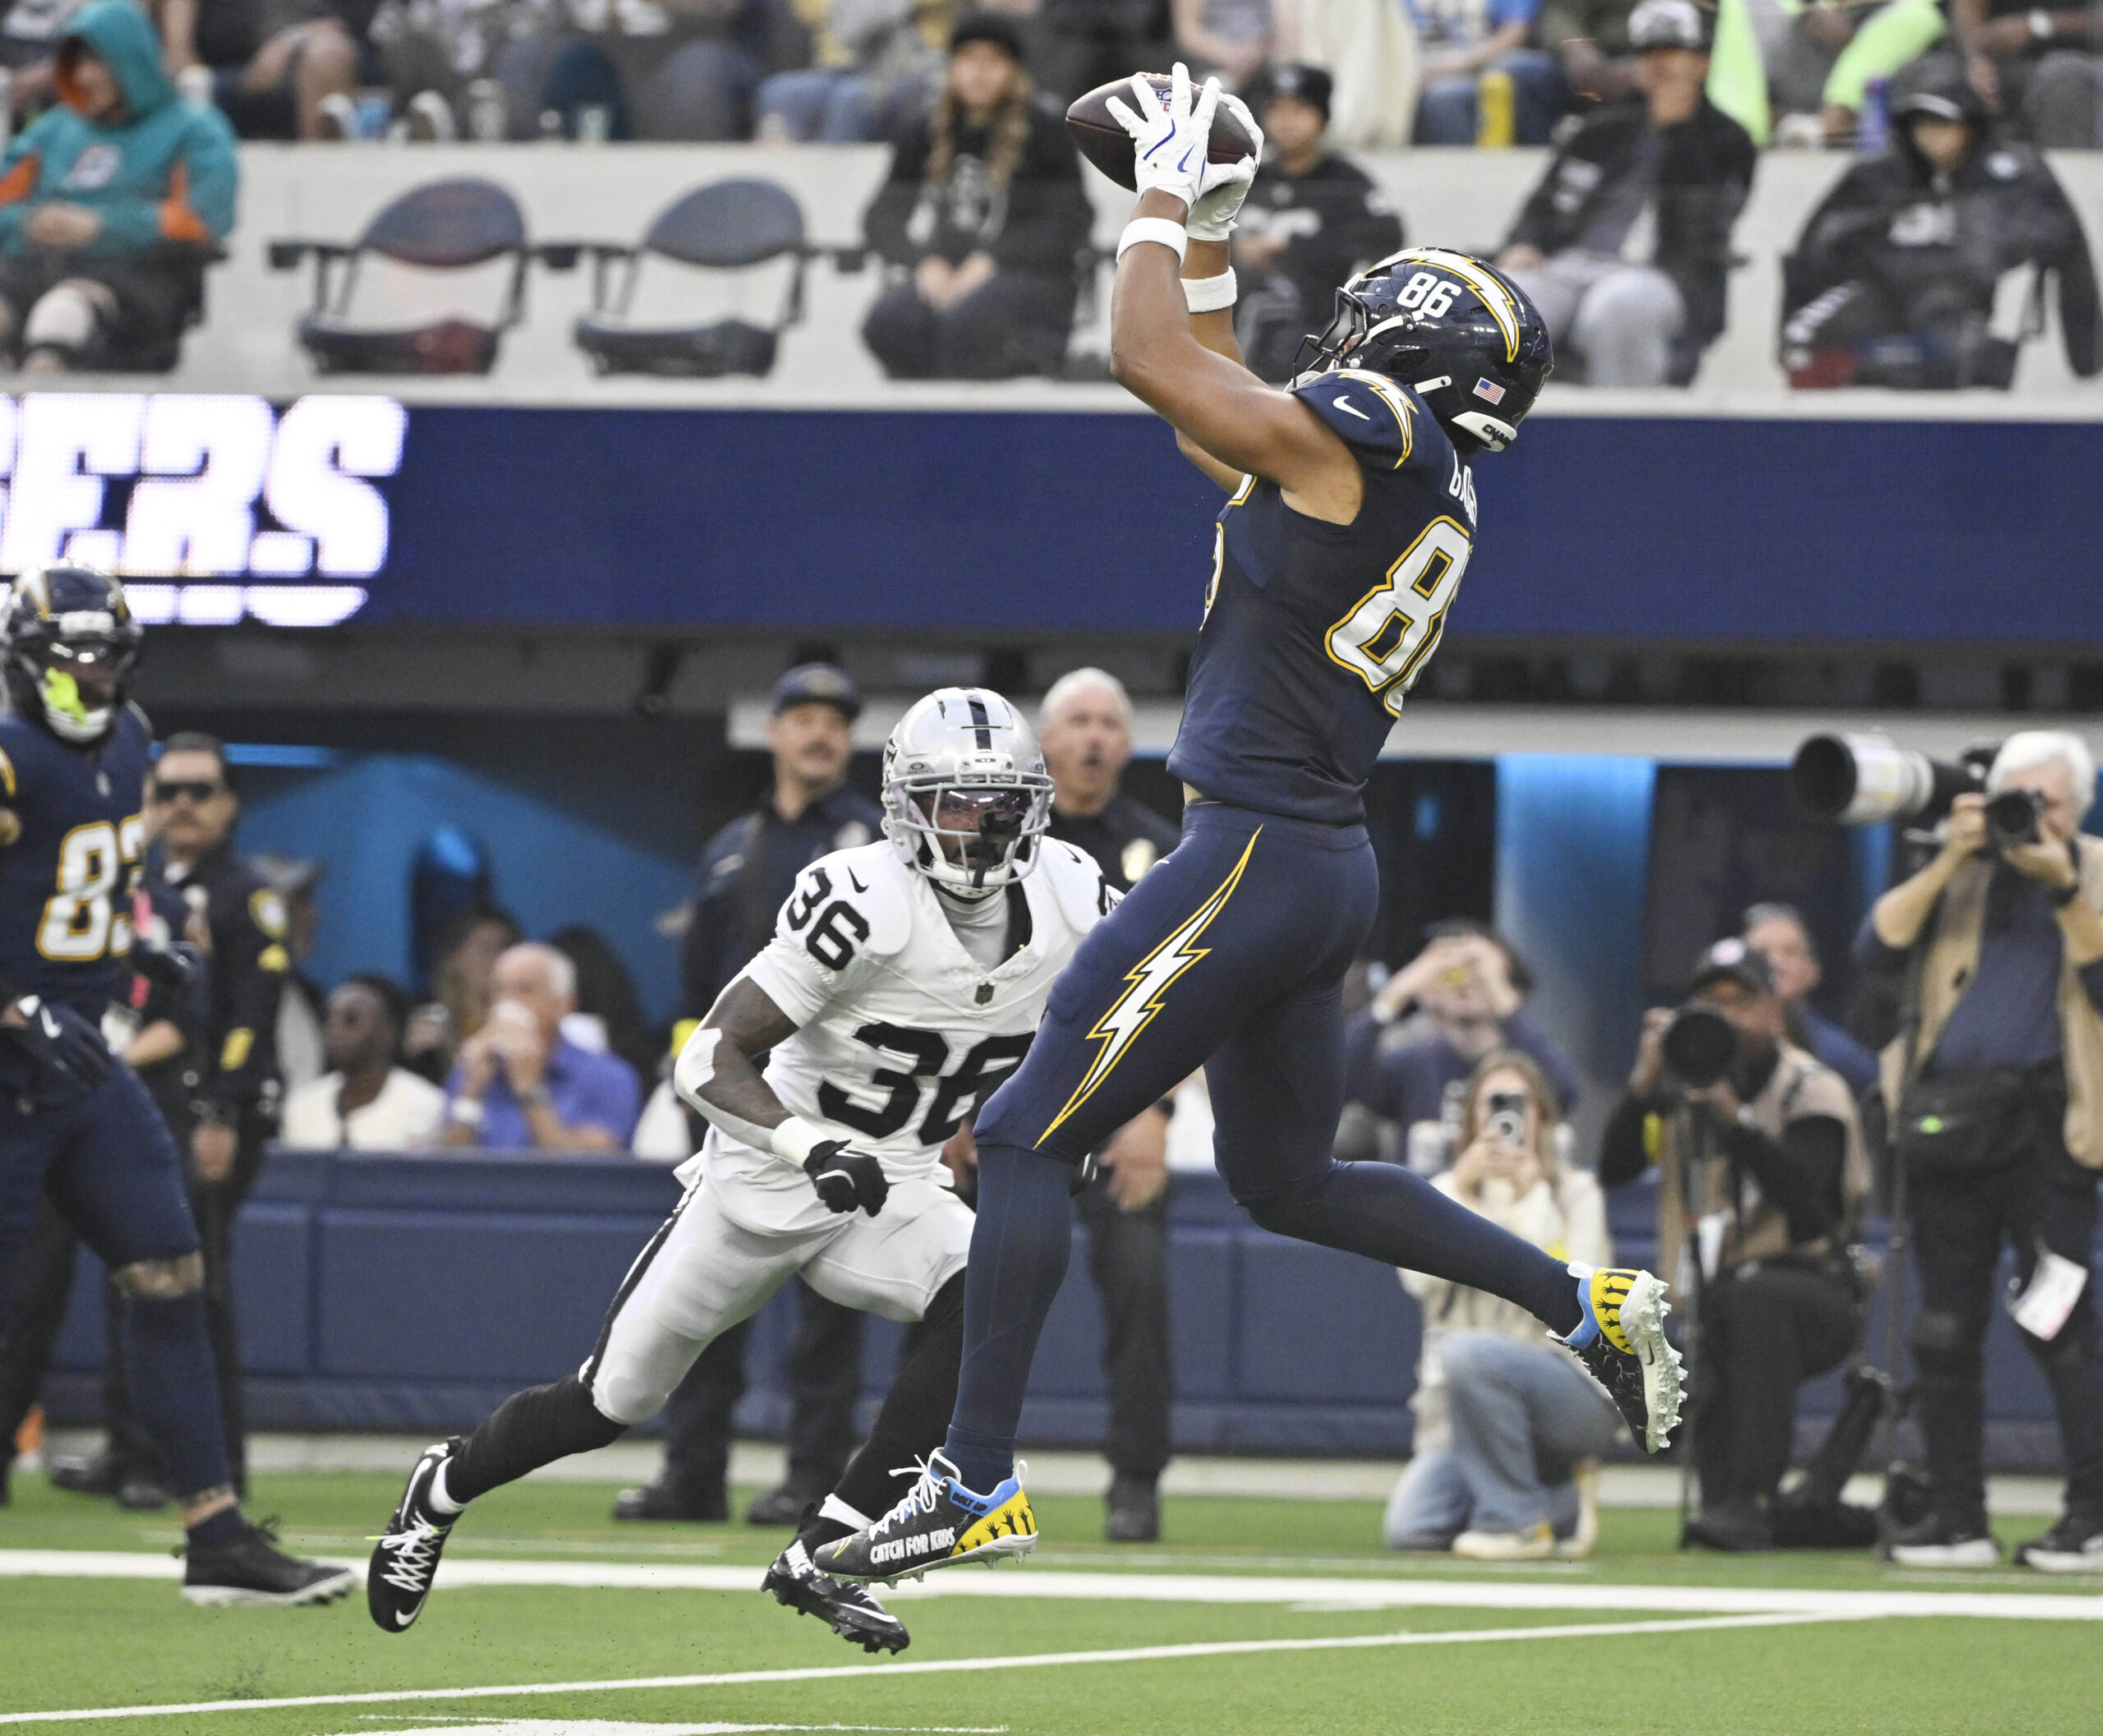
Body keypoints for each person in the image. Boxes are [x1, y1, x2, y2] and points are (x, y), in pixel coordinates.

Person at [817, 67, 1681, 1589]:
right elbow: (1199, 410)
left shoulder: (1375, 428)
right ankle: (1580, 1303)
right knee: (1290, 1181)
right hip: (1318, 861)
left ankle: (974, 1474)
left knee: (1019, 1133)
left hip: (1257, 850)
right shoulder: (1414, 475)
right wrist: (1211, 217)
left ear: (1406, 340)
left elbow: (1145, 354)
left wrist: (1163, 181)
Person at [368, 688, 1106, 1655]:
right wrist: (807, 1145)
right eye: (955, 803)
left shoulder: (1073, 894)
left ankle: (826, 1545)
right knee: (609, 1401)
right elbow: (708, 1056)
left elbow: (1110, 1022)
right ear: (905, 808)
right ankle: (443, 1486)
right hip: (763, 1176)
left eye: (1001, 803)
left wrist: (1082, 1120)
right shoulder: (862, 898)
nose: (982, 826)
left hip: (894, 1180)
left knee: (992, 1289)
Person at [0, 564, 347, 1603]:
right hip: (12, 1064)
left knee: (169, 1273)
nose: (94, 676)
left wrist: (137, 944)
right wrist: (16, 1008)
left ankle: (216, 1535)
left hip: (80, 1070)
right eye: (75, 658)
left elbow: (93, 876)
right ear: (28, 661)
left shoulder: (129, 739)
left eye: (108, 658)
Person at [632, 661, 884, 1530]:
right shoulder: (731, 846)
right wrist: (689, 1083)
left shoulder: (871, 842)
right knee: (705, 1288)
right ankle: (692, 1472)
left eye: (835, 720)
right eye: (804, 717)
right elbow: (696, 985)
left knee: (830, 1301)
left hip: (834, 1094)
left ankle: (812, 1480)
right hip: (735, 1098)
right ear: (772, 732)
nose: (820, 732)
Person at [1856, 731, 2103, 1572]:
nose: (2028, 816)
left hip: (2051, 1136)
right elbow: (1874, 952)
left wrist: (2063, 884)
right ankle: (1957, 1518)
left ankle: (2092, 1517)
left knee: (2060, 1325)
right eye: (2013, 800)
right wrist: (1948, 858)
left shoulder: (2095, 870)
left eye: (2046, 802)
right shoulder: (1962, 873)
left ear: (2077, 807)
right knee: (1942, 1332)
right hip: (1948, 1130)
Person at [1601, 938, 1868, 1552]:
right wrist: (1644, 1084)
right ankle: (1739, 1508)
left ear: (1774, 1009)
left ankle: (1754, 1501)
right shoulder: (1683, 1084)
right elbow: (1615, 1168)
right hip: (1717, 1290)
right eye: (1712, 1003)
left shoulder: (1812, 1087)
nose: (1727, 1017)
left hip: (1816, 1291)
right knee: (1725, 1309)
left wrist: (1737, 1119)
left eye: (1742, 1002)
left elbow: (1811, 1206)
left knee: (1754, 1300)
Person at [1035, 666, 1184, 1542]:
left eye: (1108, 724)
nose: (1093, 737)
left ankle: (1136, 1479)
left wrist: (1152, 1111)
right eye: (1078, 721)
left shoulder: (1163, 851)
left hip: (1119, 1106)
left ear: (1127, 747)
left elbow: (1182, 992)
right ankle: (920, 1463)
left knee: (1140, 1283)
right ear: (1046, 741)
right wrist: (958, 1112)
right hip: (1006, 1102)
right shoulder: (1001, 839)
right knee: (947, 1279)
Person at [133, 730, 288, 1498]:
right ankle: (137, 1450)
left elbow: (255, 1010)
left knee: (200, 1282)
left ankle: (220, 1462)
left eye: (201, 791)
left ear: (230, 804)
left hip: (216, 1112)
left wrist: (224, 1110)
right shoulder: (143, 888)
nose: (184, 805)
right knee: (141, 1275)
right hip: (152, 1102)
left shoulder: (245, 895)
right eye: (169, 791)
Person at [1384, 1052, 1618, 1560]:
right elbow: (1417, 1280)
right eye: (1492, 1104)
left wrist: (1529, 1196)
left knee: (1469, 1352)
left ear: (1543, 1118)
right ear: (1471, 1117)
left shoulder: (1575, 1193)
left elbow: (1576, 1294)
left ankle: (1516, 1522)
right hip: (1468, 1414)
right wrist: (1461, 1192)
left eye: (1519, 1104)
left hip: (1567, 1389)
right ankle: (1559, 1500)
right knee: (1412, 1528)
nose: (1505, 1118)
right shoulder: (1443, 1193)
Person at [1780, 56, 2099, 393]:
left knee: (1963, 355)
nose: (1934, 136)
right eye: (1922, 123)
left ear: (1970, 123)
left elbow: (2071, 248)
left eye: (1945, 123)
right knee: (1813, 358)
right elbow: (1813, 251)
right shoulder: (1876, 178)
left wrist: (2087, 353)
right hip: (1877, 311)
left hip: (1962, 320)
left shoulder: (2012, 176)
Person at [1496, 0, 1754, 390]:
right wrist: (1525, 243)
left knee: (1619, 306)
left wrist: (1677, 133)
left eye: (1672, 52)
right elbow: (1545, 202)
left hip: (1662, 273)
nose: (1659, 64)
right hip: (1570, 264)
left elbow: (1705, 226)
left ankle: (1624, 429)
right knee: (1506, 307)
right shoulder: (1600, 128)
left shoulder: (1726, 140)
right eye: (1648, 54)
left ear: (1701, 64)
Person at [0, 1, 234, 375]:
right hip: (33, 265)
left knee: (61, 315)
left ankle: (40, 401)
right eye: (76, 63)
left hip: (139, 278)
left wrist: (100, 226)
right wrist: (29, 222)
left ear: (132, 58)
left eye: (98, 62)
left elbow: (202, 220)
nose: (84, 76)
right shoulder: (55, 128)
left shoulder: (194, 129)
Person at [860, 13, 1094, 381]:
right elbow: (882, 216)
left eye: (994, 60)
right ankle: (923, 411)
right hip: (946, 269)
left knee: (971, 323)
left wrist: (993, 260)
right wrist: (923, 261)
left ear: (1014, 70)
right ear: (951, 67)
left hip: (1030, 276)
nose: (979, 71)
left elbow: (1070, 221)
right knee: (890, 322)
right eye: (968, 58)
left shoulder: (1045, 131)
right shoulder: (925, 129)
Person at [1345, 919, 1581, 1174]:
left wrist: (1501, 994)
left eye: (1478, 972)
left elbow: (1564, 1094)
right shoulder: (1415, 1063)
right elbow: (1343, 1080)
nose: (1465, 984)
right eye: (1453, 974)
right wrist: (1397, 993)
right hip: (1427, 1196)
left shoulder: (1523, 1065)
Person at [1229, 64, 1405, 384]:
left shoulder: (1346, 182)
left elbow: (1386, 237)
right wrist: (1234, 250)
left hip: (1313, 322)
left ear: (1322, 115)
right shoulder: (1246, 178)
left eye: (1299, 109)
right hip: (1234, 310)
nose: (1286, 121)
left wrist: (1292, 248)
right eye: (1276, 109)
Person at [440, 942, 641, 1152]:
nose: (509, 1003)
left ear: (565, 1005)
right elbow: (447, 1165)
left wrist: (530, 1088)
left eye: (526, 990)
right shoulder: (469, 1070)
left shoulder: (608, 1077)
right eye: (500, 990)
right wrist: (471, 1091)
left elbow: (587, 1167)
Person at [155, 0, 369, 140]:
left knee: (329, 54)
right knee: (192, 82)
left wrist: (288, 42)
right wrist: (180, 55)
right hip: (216, 75)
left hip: (301, 68)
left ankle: (320, 173)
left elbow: (344, 25)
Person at [280, 975, 448, 1152]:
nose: (335, 1030)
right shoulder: (302, 1105)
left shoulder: (426, 1105)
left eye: (350, 1020)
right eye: (329, 1019)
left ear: (387, 1033)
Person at [1743, 901, 1879, 1098]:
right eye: (1762, 953)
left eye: (1790, 952)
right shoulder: (1720, 1041)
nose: (1775, 963)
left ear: (1813, 970)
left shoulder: (1842, 1057)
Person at [1408, 0, 1563, 145]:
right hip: (1414, 68)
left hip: (1481, 66)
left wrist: (1459, 66)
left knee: (1447, 96)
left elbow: (1516, 30)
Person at [1950, 0, 2102, 148]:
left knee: (2064, 79)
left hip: (2081, 58)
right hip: (2004, 59)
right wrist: (1975, 59)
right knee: (1946, 81)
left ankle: (2063, 163)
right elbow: (1969, 15)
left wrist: (2039, 24)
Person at [403, 904, 521, 1086]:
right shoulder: (428, 1018)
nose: (497, 959)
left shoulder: (526, 1018)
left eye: (504, 948)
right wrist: (412, 1055)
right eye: (486, 948)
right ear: (454, 959)